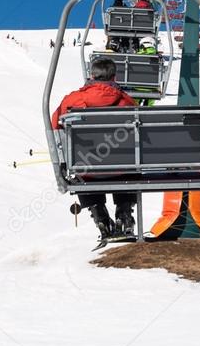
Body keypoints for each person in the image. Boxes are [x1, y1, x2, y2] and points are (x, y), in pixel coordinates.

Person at [51, 57, 137, 243]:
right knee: (127, 166)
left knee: (83, 166)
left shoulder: (73, 100)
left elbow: (54, 126)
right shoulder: (127, 102)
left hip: (86, 169)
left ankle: (100, 216)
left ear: (91, 75)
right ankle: (124, 214)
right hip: (122, 170)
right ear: (114, 77)